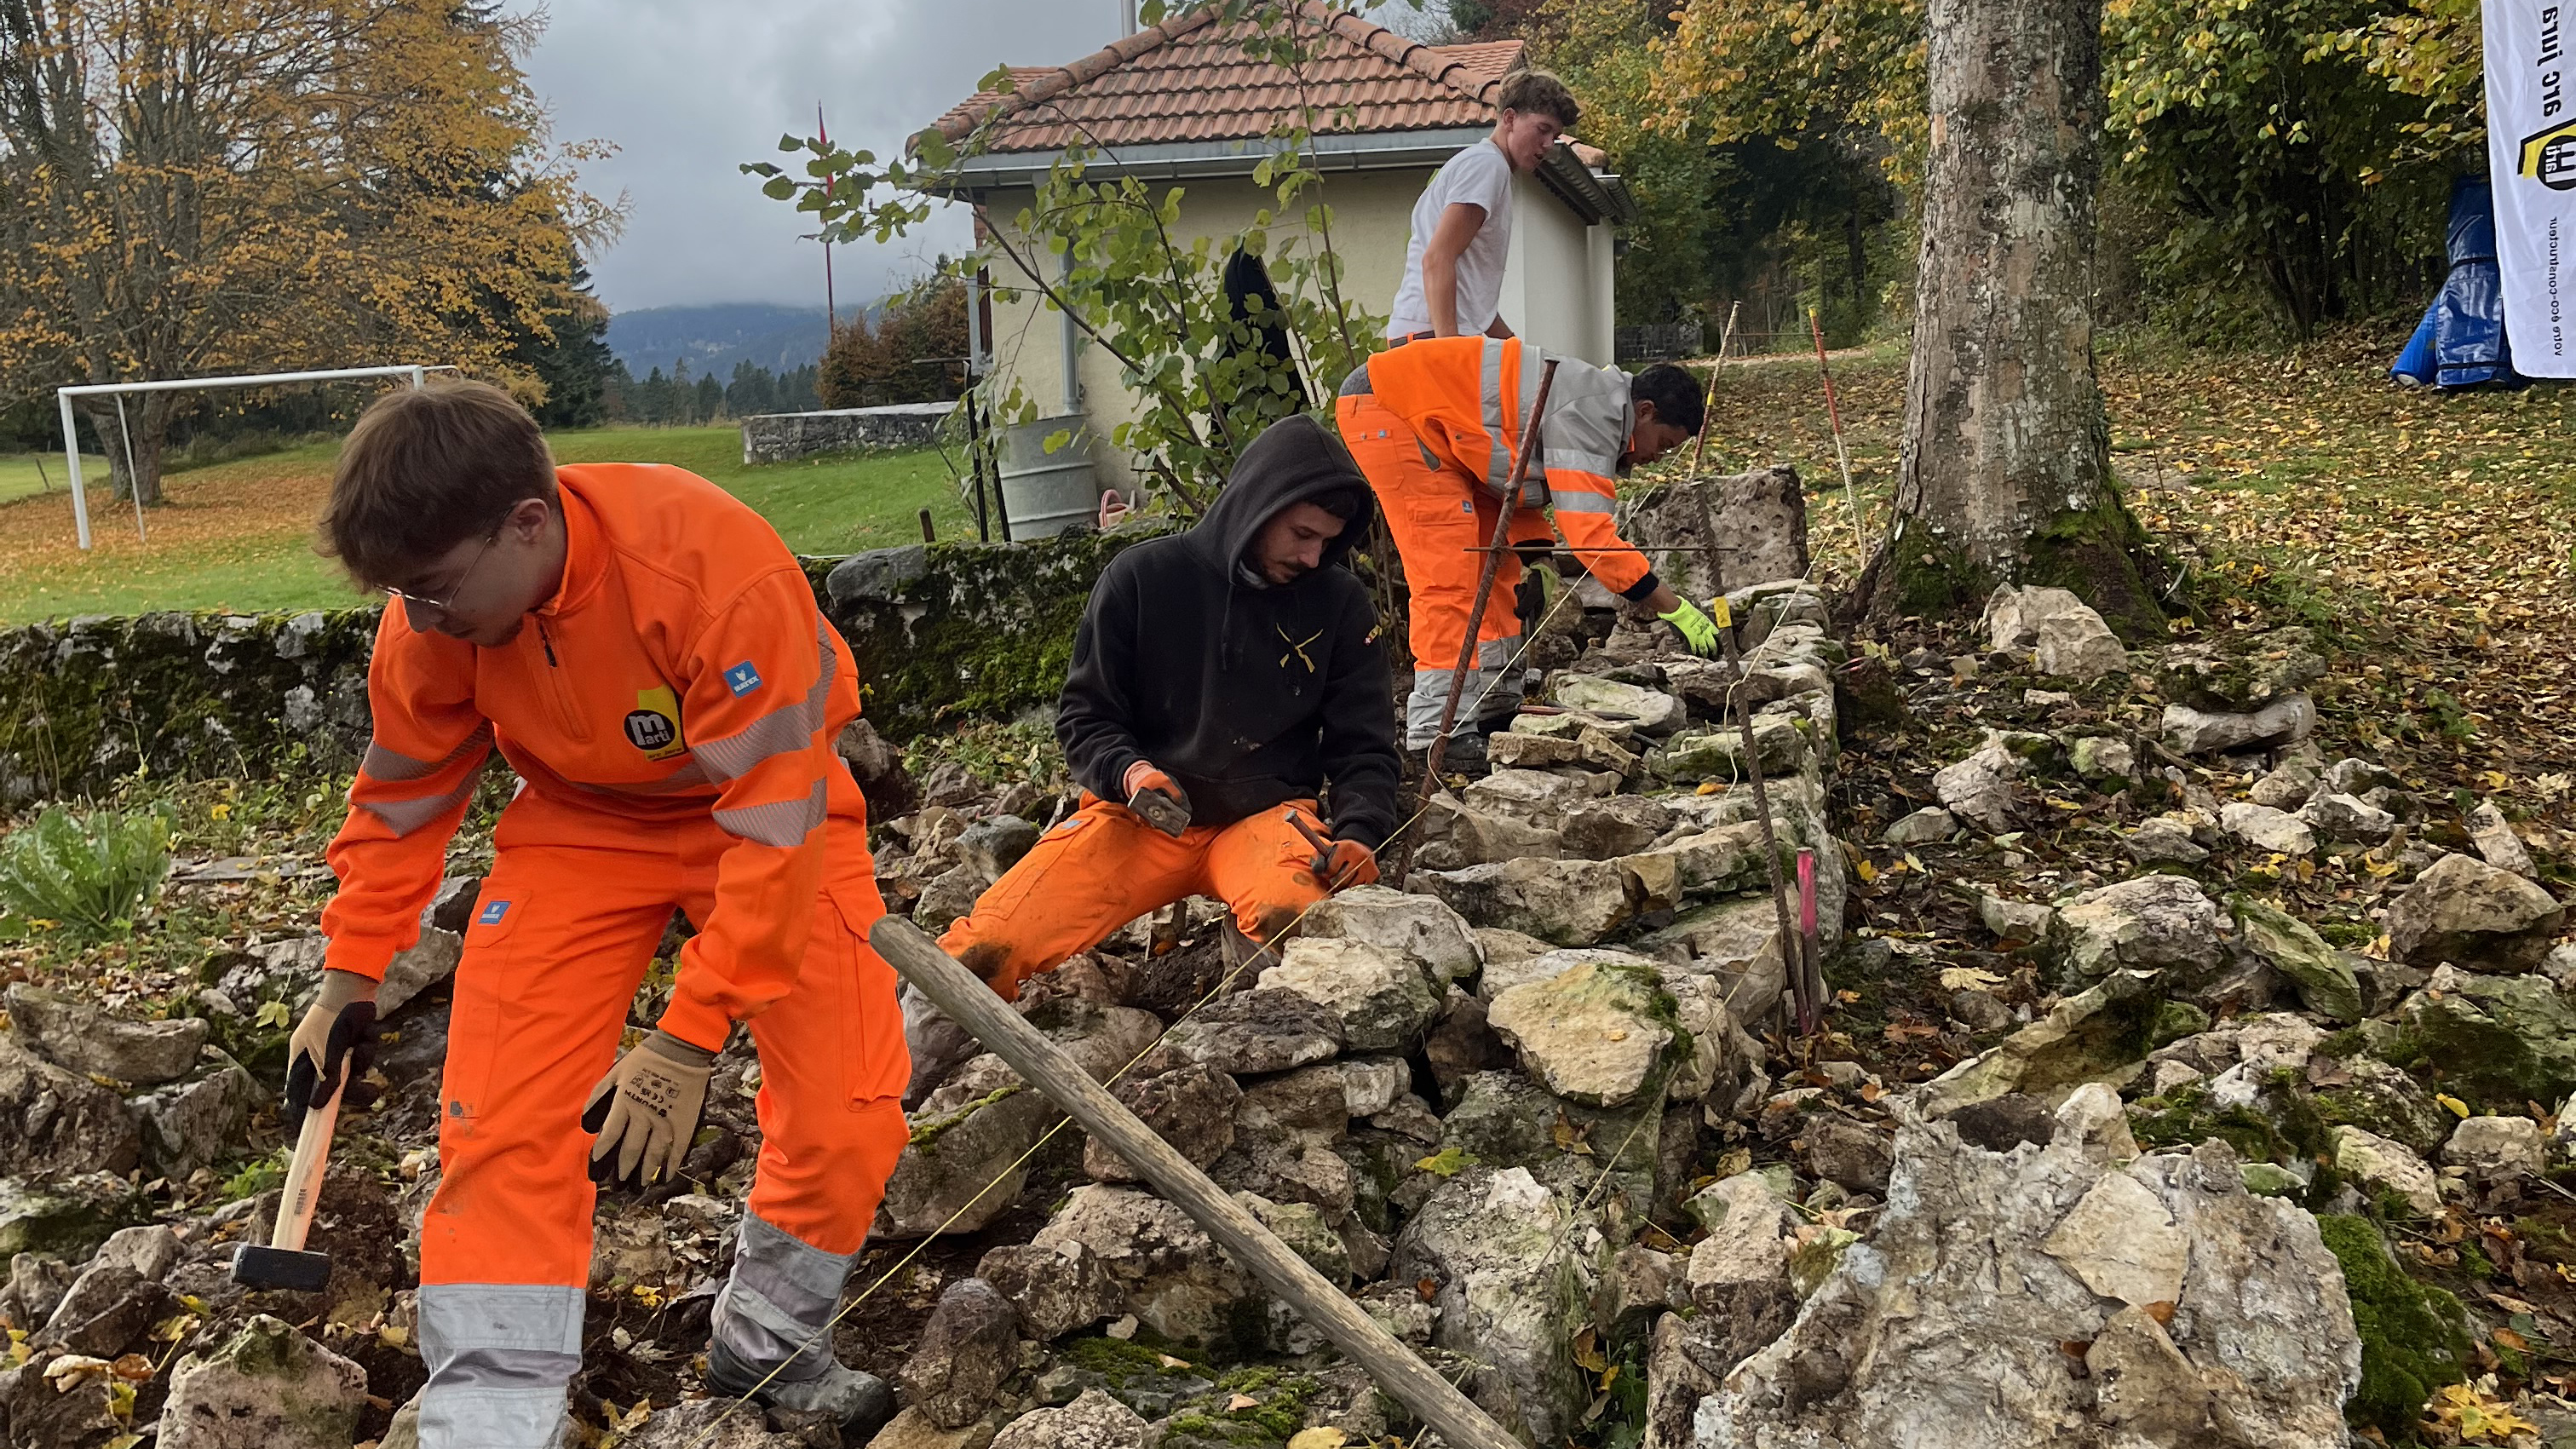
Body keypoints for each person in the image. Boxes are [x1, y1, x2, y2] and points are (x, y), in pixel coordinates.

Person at [288, 380, 907, 1447]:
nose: (421, 617)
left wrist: (687, 1036)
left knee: (848, 1102)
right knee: (500, 1114)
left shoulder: (712, 567)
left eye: (434, 589)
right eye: (402, 597)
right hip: (577, 823)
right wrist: (351, 969)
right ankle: (489, 1416)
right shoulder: (428, 614)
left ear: (527, 523)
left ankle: (771, 1345)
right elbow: (402, 794)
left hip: (767, 813)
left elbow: (772, 829)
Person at [904, 415, 1400, 1105]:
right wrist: (1131, 771)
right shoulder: (1142, 578)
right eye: (1303, 535)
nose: (1316, 557)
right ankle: (887, 1097)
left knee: (1302, 916)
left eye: (1329, 541)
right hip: (1143, 819)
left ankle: (1276, 1097)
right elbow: (1085, 716)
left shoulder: (1339, 605)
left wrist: (1360, 832)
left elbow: (1365, 744)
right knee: (984, 947)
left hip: (1263, 819)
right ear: (1257, 504)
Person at [1334, 336, 1716, 760]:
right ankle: (1436, 732)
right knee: (1449, 576)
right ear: (1644, 412)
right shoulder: (1594, 414)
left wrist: (1537, 558)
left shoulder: (1594, 401)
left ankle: (1491, 701)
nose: (1657, 458)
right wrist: (1671, 606)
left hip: (1445, 435)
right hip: (1391, 407)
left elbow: (1510, 478)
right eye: (1662, 444)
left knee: (1497, 569)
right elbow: (1591, 536)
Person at [1384, 70, 1581, 344]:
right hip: (1427, 337)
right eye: (1543, 129)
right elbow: (1437, 259)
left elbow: (1477, 305)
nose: (1549, 144)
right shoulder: (1486, 166)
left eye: (1555, 136)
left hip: (1430, 333)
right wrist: (1449, 352)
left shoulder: (1491, 167)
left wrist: (1518, 349)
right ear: (1510, 118)